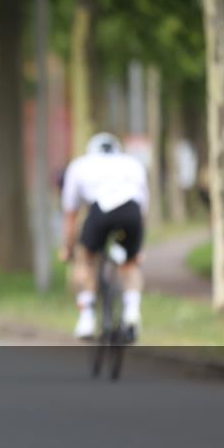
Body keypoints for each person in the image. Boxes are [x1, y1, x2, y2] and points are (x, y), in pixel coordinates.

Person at [59, 132, 149, 340]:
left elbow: (71, 214)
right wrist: (138, 249)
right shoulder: (132, 163)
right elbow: (143, 209)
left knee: (86, 259)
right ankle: (132, 311)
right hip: (131, 211)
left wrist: (68, 248)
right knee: (130, 263)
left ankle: (87, 317)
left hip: (100, 210)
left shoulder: (79, 165)